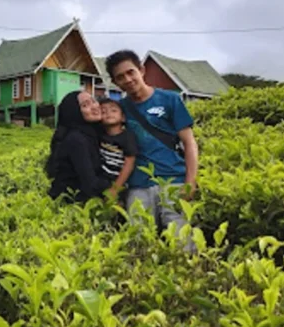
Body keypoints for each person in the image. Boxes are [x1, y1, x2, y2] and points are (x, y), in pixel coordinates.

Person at [104, 49, 199, 251]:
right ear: (115, 83)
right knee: (139, 244)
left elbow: (189, 143)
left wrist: (190, 182)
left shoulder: (170, 100)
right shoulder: (119, 109)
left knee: (182, 243)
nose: (128, 79)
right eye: (120, 77)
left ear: (142, 70)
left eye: (131, 72)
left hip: (172, 180)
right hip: (137, 185)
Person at [45, 90, 109, 203]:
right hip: (71, 205)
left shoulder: (92, 133)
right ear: (74, 112)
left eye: (94, 101)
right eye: (85, 105)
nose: (94, 107)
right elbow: (90, 183)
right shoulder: (76, 140)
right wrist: (117, 184)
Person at [97, 98, 138, 205]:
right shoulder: (99, 135)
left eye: (113, 110)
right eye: (103, 111)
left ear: (123, 117)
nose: (108, 113)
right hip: (101, 180)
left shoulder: (127, 137)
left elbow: (129, 162)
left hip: (119, 181)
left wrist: (116, 188)